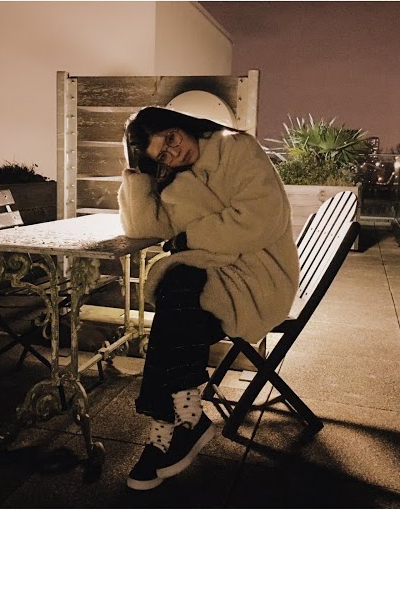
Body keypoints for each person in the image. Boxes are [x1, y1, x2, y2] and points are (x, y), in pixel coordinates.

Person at [117, 106, 299, 490]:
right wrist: (137, 174)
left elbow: (261, 218)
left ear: (179, 123)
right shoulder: (175, 181)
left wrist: (190, 238)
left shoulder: (235, 148)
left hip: (258, 278)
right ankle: (182, 417)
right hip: (213, 277)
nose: (174, 152)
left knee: (176, 295)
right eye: (162, 155)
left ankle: (167, 430)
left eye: (170, 138)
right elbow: (143, 227)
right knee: (178, 299)